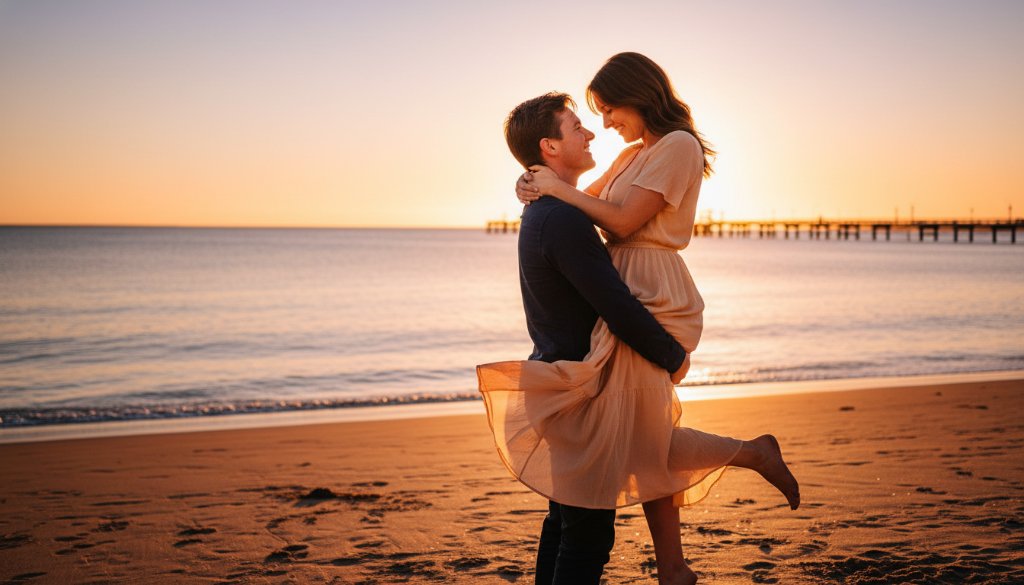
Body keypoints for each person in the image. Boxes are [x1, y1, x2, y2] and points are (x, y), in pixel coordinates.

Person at [479, 53, 800, 585]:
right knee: (642, 435)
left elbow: (622, 218)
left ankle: (745, 463)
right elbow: (583, 200)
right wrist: (532, 185)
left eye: (607, 110)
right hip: (628, 287)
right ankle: (678, 562)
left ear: (638, 94)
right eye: (592, 116)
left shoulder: (679, 146)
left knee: (637, 435)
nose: (604, 124)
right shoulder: (632, 153)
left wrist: (555, 190)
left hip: (653, 291)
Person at [482, 91, 689, 584]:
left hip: (559, 381)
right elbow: (613, 302)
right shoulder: (564, 219)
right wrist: (670, 354)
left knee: (566, 524)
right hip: (577, 390)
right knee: (586, 535)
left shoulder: (551, 211)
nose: (591, 132)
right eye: (577, 127)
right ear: (550, 148)